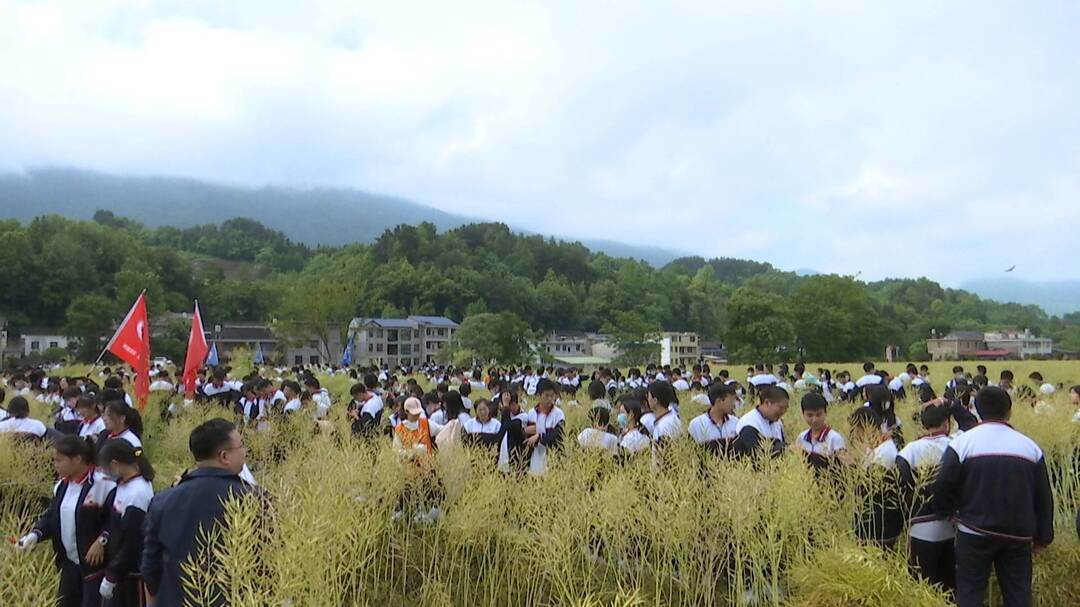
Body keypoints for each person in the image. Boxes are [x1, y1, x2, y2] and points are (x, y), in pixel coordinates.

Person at [933, 386, 1054, 607]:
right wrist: (1043, 536)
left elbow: (941, 484)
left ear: (977, 411)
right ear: (1009, 411)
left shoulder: (962, 444)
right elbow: (1044, 497)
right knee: (1018, 594)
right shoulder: (1030, 447)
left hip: (973, 530)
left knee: (970, 592)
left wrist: (947, 512)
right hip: (1018, 535)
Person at [142, 419, 255, 607]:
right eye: (241, 445)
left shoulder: (162, 501)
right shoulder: (256, 500)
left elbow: (151, 567)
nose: (245, 451)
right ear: (224, 456)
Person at [16, 435, 116, 607]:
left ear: (77, 459)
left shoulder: (103, 485)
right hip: (69, 565)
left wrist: (102, 540)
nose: (55, 465)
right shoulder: (61, 486)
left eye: (59, 461)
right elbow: (51, 517)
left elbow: (116, 521)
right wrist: (34, 535)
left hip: (95, 568)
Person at [896, 404, 955, 593]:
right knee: (949, 584)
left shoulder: (910, 450)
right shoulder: (956, 445)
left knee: (922, 585)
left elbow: (901, 481)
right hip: (954, 526)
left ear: (923, 425)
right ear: (947, 424)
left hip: (921, 526)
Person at [97, 439, 155, 606]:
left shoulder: (137, 493)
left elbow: (133, 542)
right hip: (120, 567)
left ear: (115, 464)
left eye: (105, 469)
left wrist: (112, 575)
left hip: (131, 573)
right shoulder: (123, 486)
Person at [523, 378, 565, 475]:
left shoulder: (558, 414)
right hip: (535, 461)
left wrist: (540, 437)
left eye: (552, 395)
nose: (550, 399)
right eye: (547, 395)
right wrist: (524, 432)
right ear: (539, 395)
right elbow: (527, 437)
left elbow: (558, 435)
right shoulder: (531, 413)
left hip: (552, 460)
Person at [794, 392, 846, 470]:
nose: (814, 420)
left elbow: (842, 465)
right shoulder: (801, 437)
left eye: (818, 415)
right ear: (803, 414)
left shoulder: (835, 438)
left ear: (825, 413)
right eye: (809, 415)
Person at [733, 386, 788, 458]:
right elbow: (758, 454)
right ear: (767, 402)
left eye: (786, 408)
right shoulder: (748, 423)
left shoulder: (777, 422)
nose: (783, 412)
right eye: (781, 408)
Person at [688, 383, 739, 455]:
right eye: (731, 401)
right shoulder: (696, 424)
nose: (734, 405)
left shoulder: (735, 422)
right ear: (719, 401)